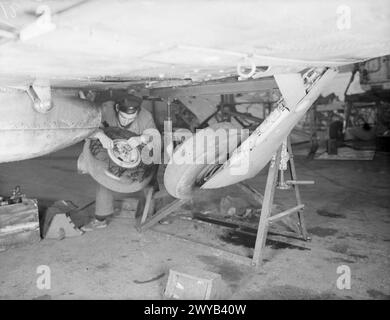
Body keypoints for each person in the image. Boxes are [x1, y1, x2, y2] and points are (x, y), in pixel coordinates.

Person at [82, 95, 159, 231]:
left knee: (149, 177)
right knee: (104, 177)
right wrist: (99, 135)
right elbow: (85, 127)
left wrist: (141, 139)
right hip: (111, 148)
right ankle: (101, 218)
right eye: (124, 117)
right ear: (117, 108)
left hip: (136, 152)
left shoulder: (145, 116)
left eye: (131, 118)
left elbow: (154, 137)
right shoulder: (105, 109)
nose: (126, 121)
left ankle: (152, 214)